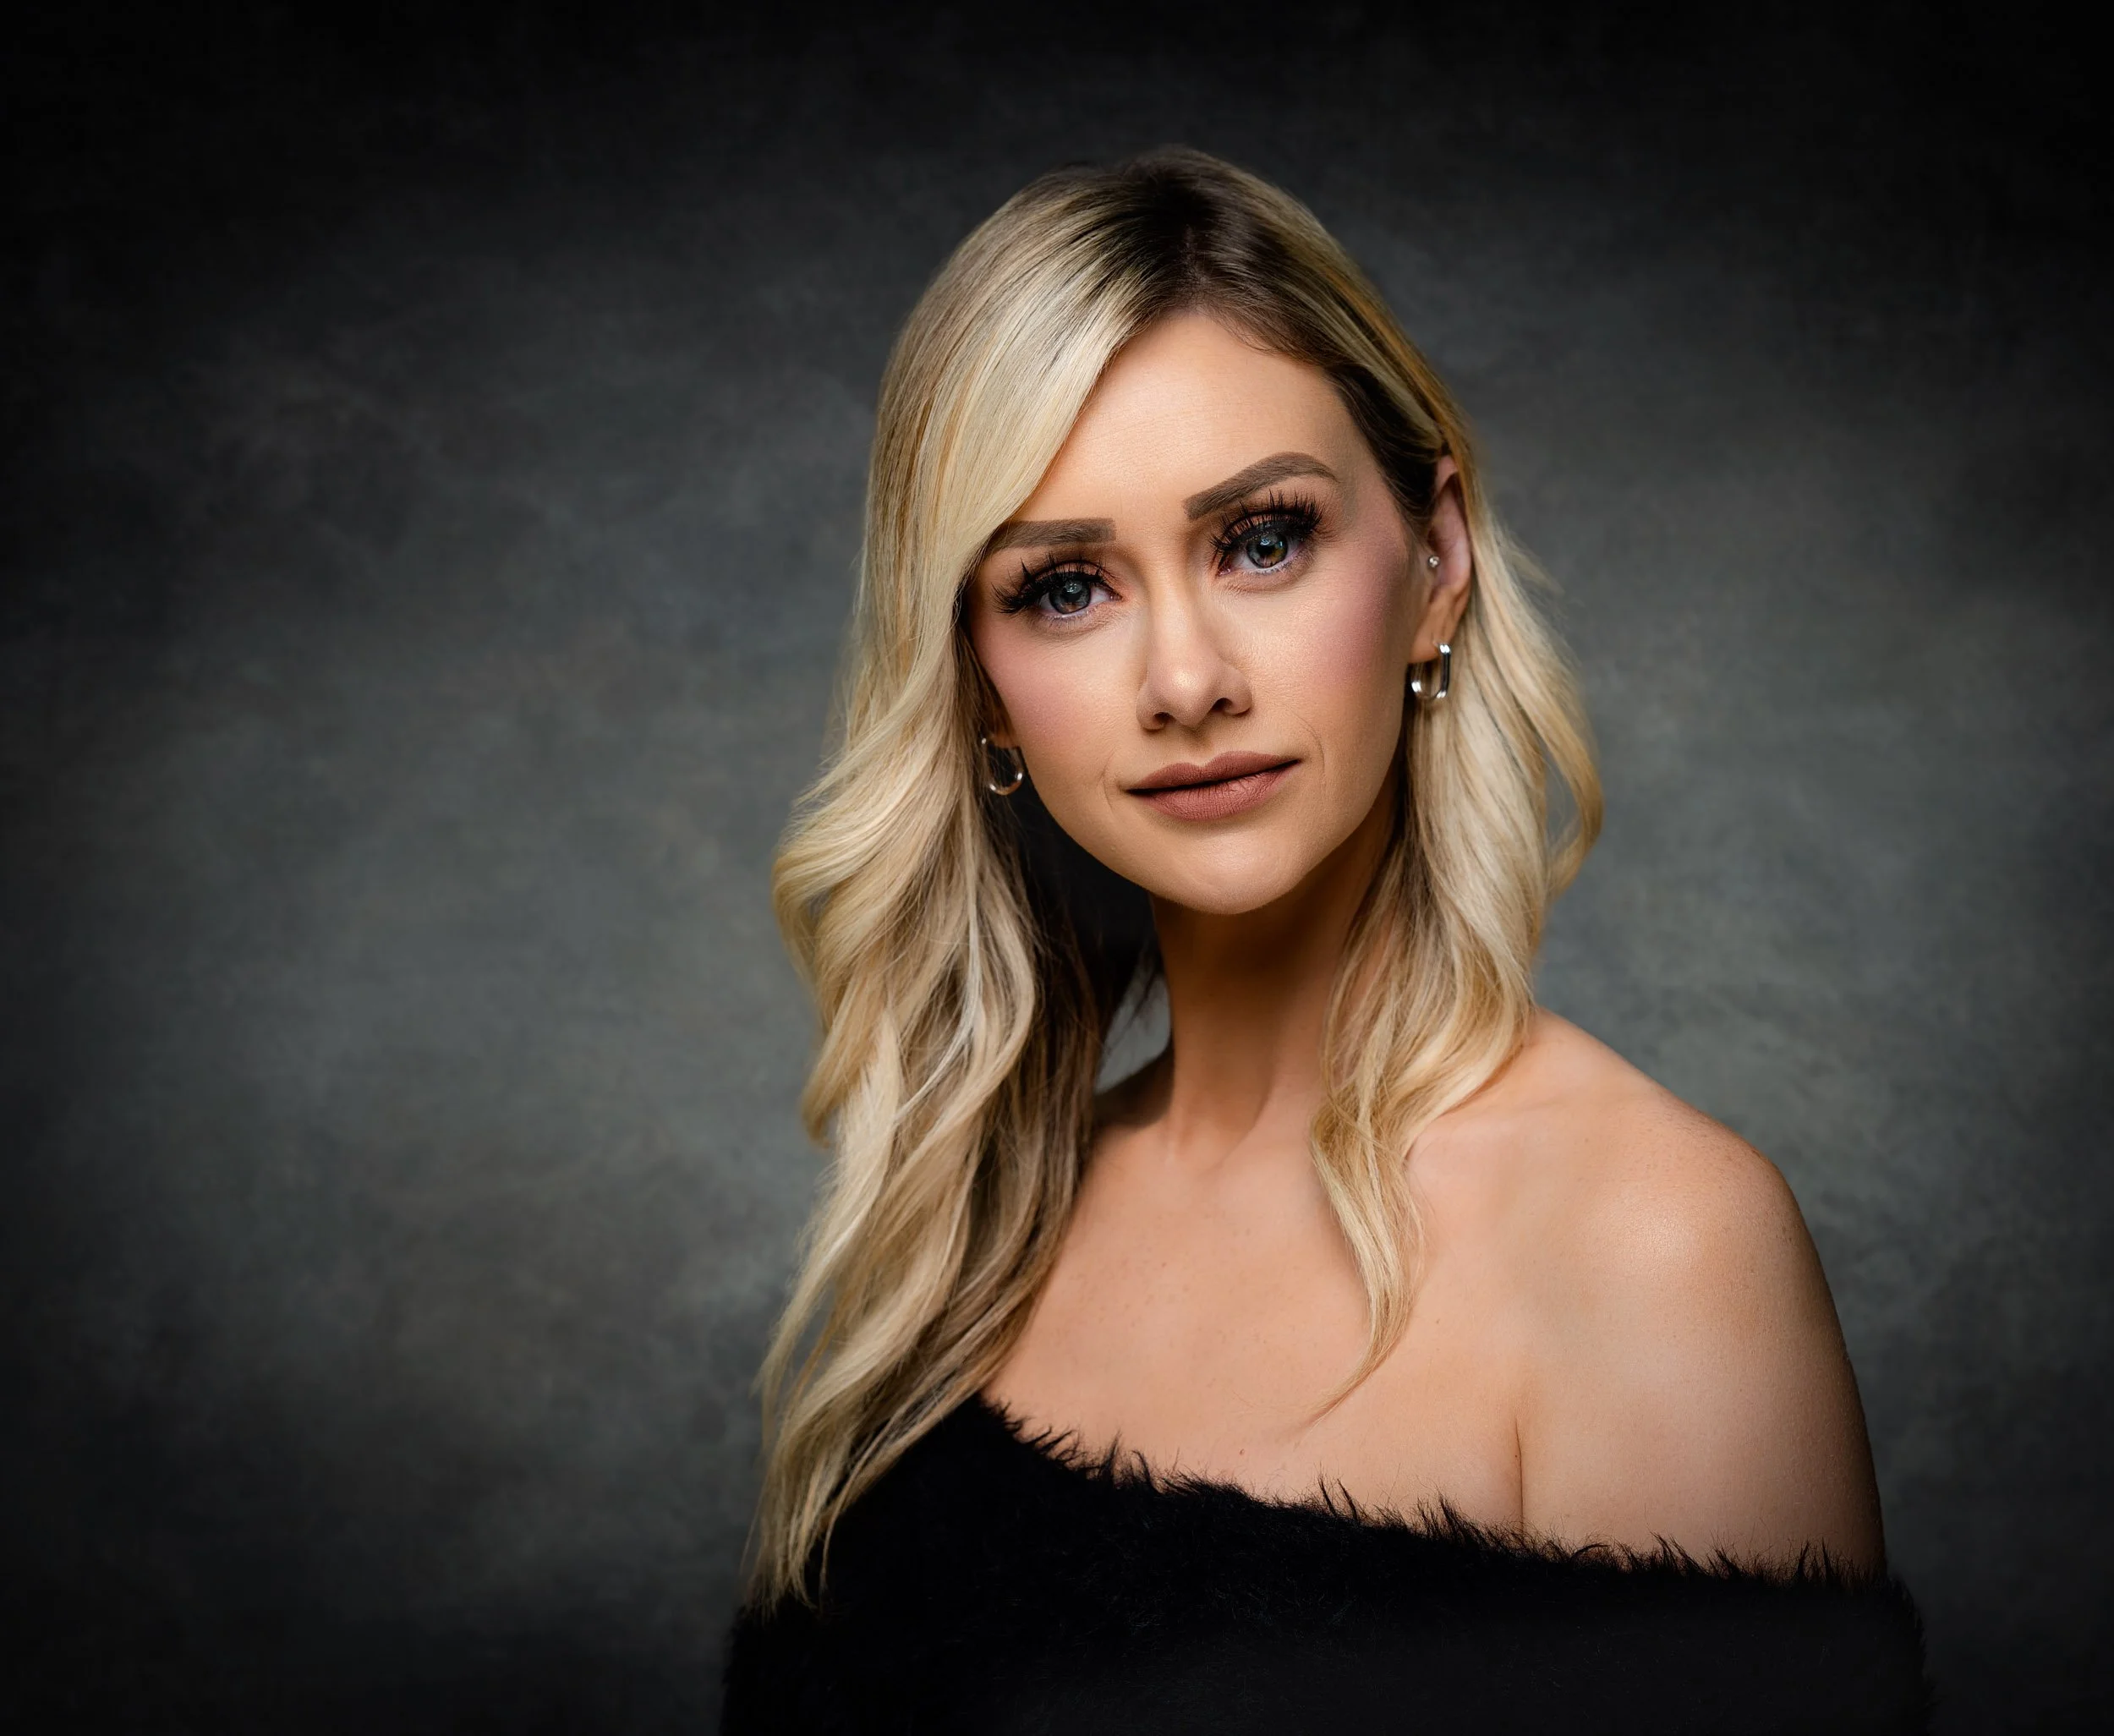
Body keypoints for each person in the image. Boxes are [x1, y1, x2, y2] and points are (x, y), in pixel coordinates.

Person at [721, 149, 1927, 1733]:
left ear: (1436, 560)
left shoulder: (1654, 1244)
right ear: (978, 680)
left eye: (1263, 539)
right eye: (1067, 585)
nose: (1186, 678)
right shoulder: (974, 1222)